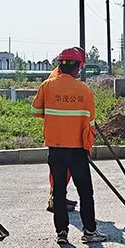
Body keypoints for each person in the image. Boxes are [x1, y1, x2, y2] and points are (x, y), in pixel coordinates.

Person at [32, 47, 106, 245]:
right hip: (77, 150)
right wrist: (88, 147)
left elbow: (36, 111)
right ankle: (89, 231)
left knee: (59, 191)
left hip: (55, 149)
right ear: (77, 67)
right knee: (85, 192)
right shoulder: (84, 90)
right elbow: (90, 123)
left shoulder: (47, 86)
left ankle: (62, 233)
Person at [45, 46, 85, 215]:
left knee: (64, 173)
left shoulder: (60, 76)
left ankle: (60, 197)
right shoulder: (56, 80)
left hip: (62, 133)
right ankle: (55, 200)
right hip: (62, 135)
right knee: (60, 174)